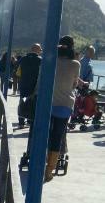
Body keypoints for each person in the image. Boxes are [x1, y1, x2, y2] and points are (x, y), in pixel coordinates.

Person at [45, 36, 80, 182]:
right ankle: (49, 170)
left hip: (47, 104)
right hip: (65, 105)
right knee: (57, 135)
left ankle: (41, 160)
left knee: (44, 133)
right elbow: (74, 85)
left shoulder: (50, 61)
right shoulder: (75, 64)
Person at [16, 43, 42, 128]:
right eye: (40, 50)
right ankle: (30, 121)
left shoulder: (23, 59)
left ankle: (21, 122)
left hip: (23, 86)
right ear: (37, 50)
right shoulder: (40, 60)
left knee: (22, 102)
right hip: (34, 87)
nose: (41, 52)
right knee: (32, 104)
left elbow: (18, 73)